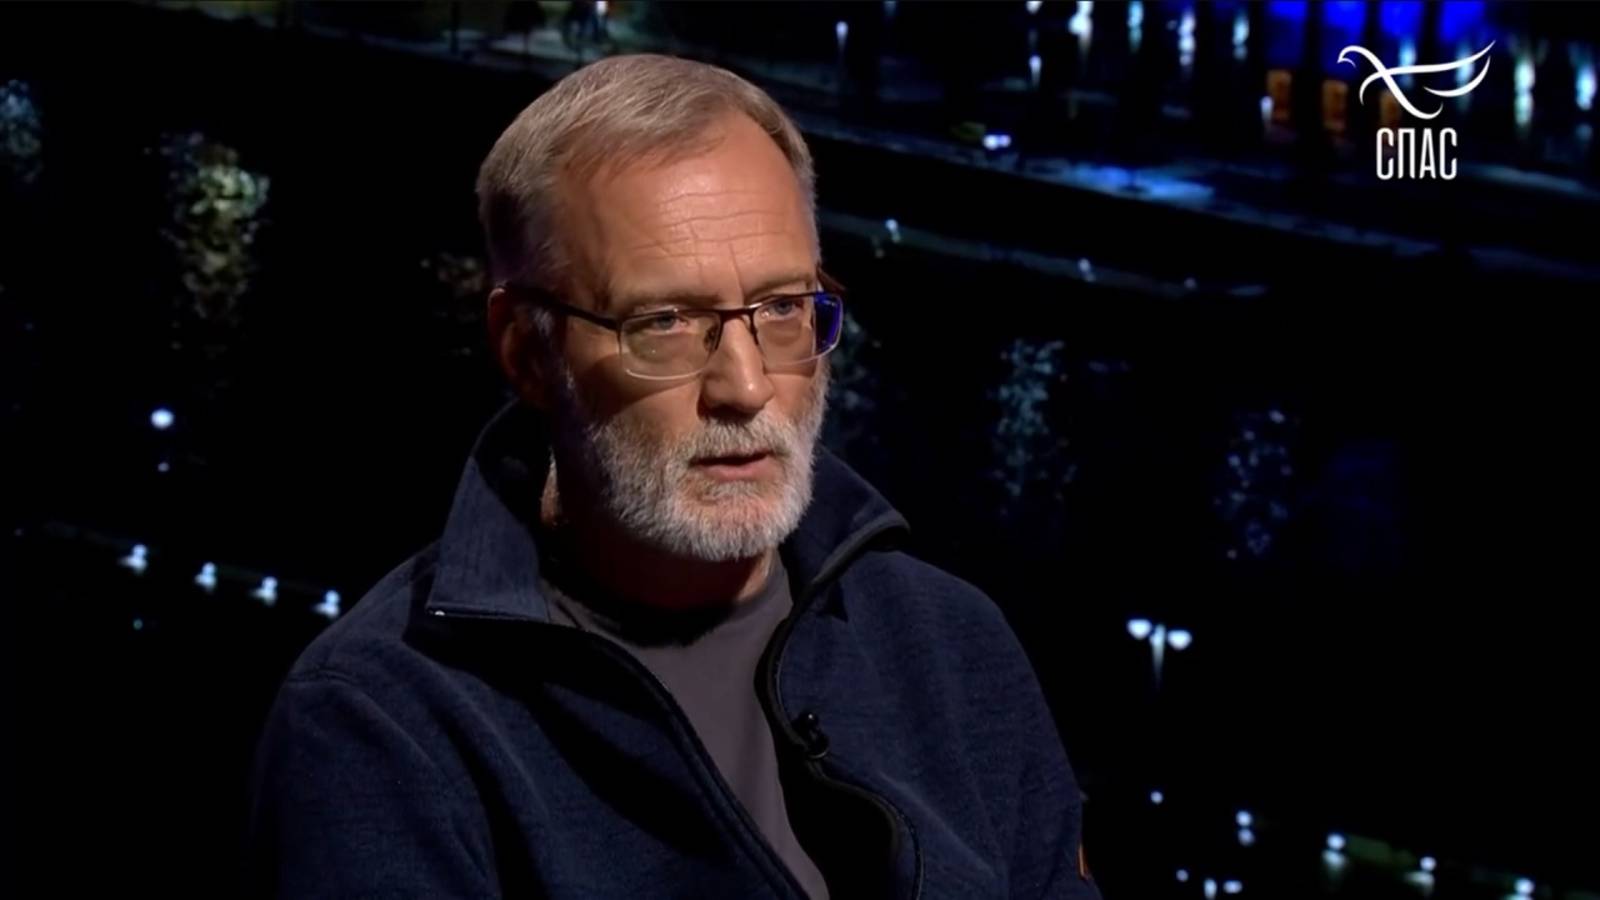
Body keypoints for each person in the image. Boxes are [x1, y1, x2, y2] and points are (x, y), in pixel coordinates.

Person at [247, 53, 1101, 899]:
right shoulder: (384, 725)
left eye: (781, 309)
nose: (747, 386)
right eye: (664, 322)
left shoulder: (950, 641)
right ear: (528, 352)